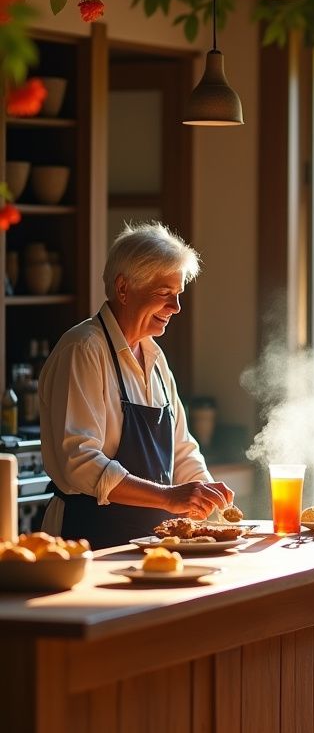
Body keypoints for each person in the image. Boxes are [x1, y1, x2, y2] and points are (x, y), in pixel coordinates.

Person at [39, 221, 232, 548]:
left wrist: (208, 494)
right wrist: (168, 497)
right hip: (88, 540)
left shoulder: (155, 359)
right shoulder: (84, 349)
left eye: (178, 295)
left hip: (154, 544)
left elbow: (183, 450)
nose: (176, 308)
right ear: (124, 288)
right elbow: (80, 462)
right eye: (164, 294)